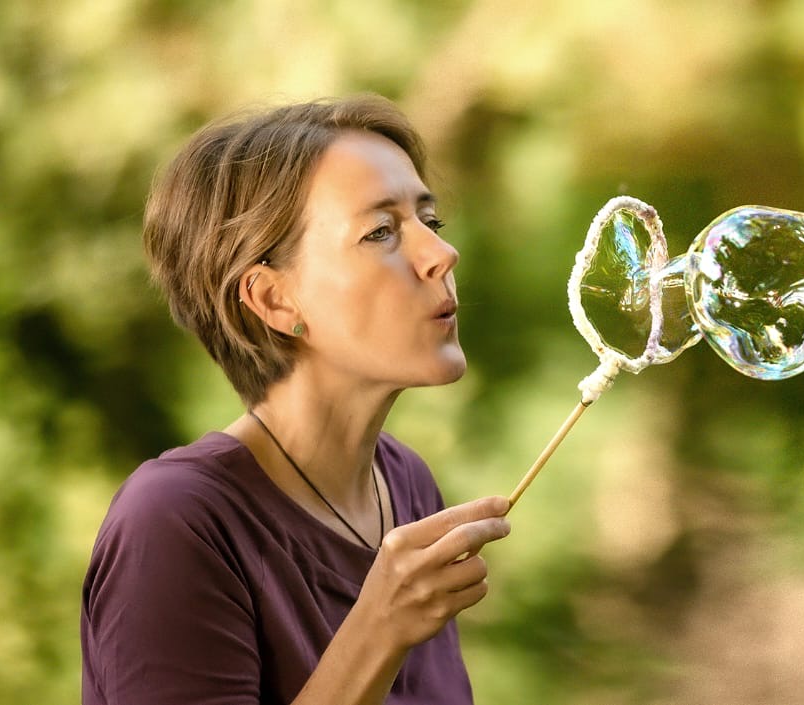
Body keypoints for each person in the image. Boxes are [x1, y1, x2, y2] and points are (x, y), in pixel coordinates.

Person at [80, 95, 512, 705]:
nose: (442, 254)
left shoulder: (406, 485)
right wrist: (379, 630)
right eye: (381, 232)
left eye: (430, 222)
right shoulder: (173, 523)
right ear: (275, 301)